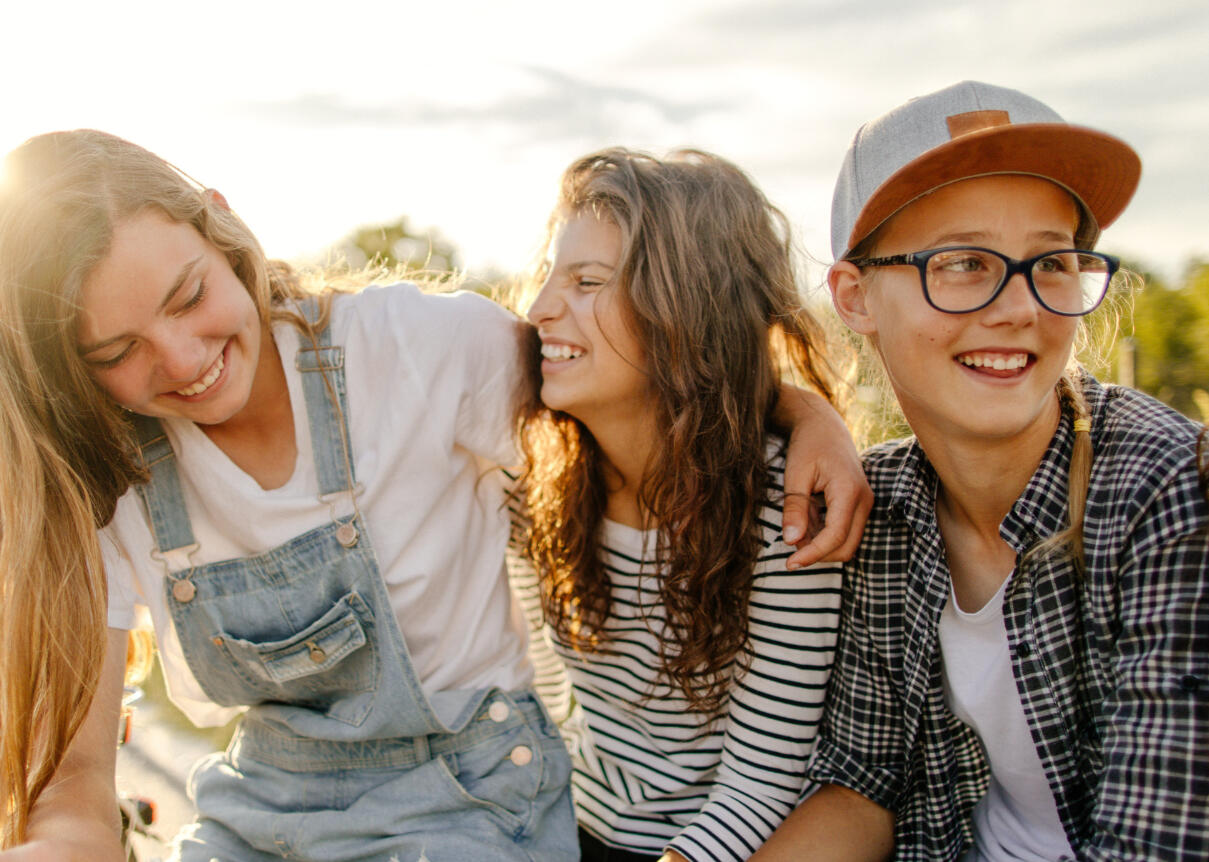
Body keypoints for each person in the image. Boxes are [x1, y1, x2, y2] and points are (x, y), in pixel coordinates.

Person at [0, 131, 868, 861]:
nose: (183, 362)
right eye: (117, 352)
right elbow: (74, 780)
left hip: (472, 802)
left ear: (224, 224)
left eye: (188, 297)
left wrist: (804, 414)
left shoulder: (420, 351)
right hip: (262, 815)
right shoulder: (101, 479)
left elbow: (649, 382)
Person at [753, 81, 1209, 861]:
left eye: (1052, 262)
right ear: (855, 297)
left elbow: (1153, 843)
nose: (1018, 307)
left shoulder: (1162, 490)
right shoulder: (883, 507)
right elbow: (863, 779)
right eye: (964, 262)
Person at [514, 149, 846, 862]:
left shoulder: (783, 510)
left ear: (683, 312)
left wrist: (814, 417)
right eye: (549, 276)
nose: (539, 308)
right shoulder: (538, 484)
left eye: (586, 282)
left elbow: (759, 784)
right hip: (563, 829)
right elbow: (534, 701)